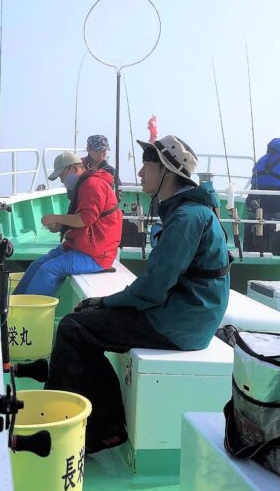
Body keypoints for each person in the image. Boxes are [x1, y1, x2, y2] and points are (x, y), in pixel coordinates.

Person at [45, 135, 231, 453]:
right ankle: (106, 427)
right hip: (184, 313)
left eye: (148, 165)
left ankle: (63, 433)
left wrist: (103, 301)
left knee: (74, 327)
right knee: (83, 324)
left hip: (181, 322)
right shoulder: (189, 211)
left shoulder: (186, 218)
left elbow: (151, 290)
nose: (141, 173)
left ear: (168, 173)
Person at [13, 151, 122, 297]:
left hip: (97, 255)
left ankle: (29, 313)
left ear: (74, 169)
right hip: (81, 247)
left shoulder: (92, 184)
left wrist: (56, 217)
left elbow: (85, 219)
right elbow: (81, 219)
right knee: (36, 266)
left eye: (62, 176)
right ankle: (13, 308)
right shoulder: (85, 184)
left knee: (48, 270)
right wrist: (59, 225)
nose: (62, 181)